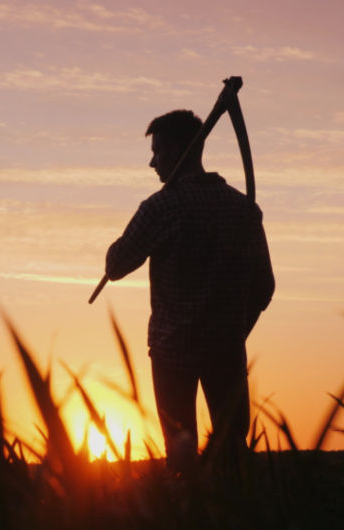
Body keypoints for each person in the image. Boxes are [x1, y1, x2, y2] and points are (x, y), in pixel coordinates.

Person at [104, 110, 275, 474]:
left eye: (159, 152)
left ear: (181, 149)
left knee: (180, 457)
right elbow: (264, 287)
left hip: (172, 351)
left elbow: (116, 265)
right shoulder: (243, 208)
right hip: (227, 351)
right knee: (232, 453)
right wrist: (235, 329)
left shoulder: (162, 206)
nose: (152, 162)